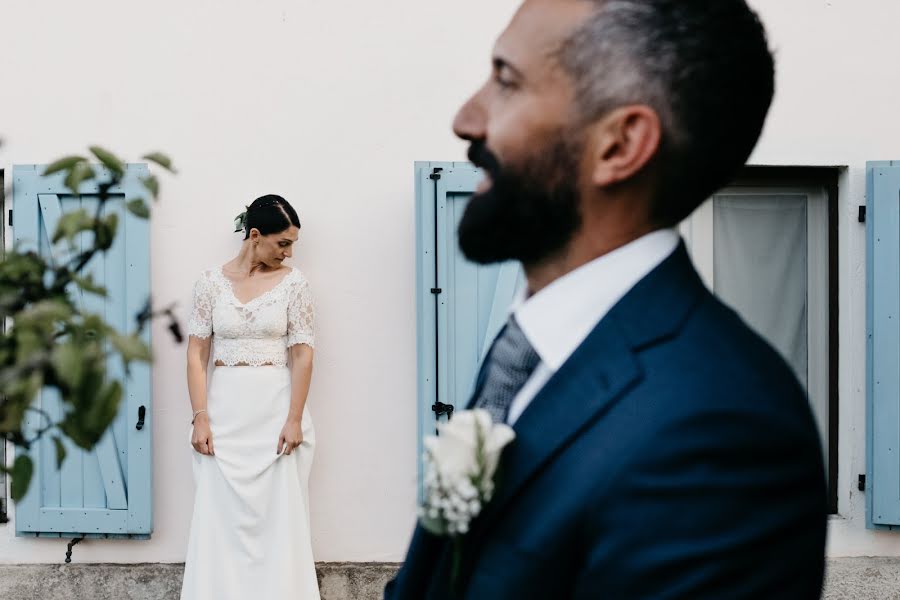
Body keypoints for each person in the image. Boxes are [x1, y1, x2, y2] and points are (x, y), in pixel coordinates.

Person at [386, 0, 827, 598]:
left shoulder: (724, 435)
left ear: (620, 145)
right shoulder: (532, 345)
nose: (466, 118)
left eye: (506, 81)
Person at [181, 194, 320, 600]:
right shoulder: (209, 283)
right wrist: (200, 416)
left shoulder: (295, 284)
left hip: (275, 417)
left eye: (292, 244)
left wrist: (294, 417)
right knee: (218, 518)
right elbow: (196, 353)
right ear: (255, 236)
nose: (289, 252)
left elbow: (302, 353)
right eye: (283, 243)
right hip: (223, 417)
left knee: (279, 519)